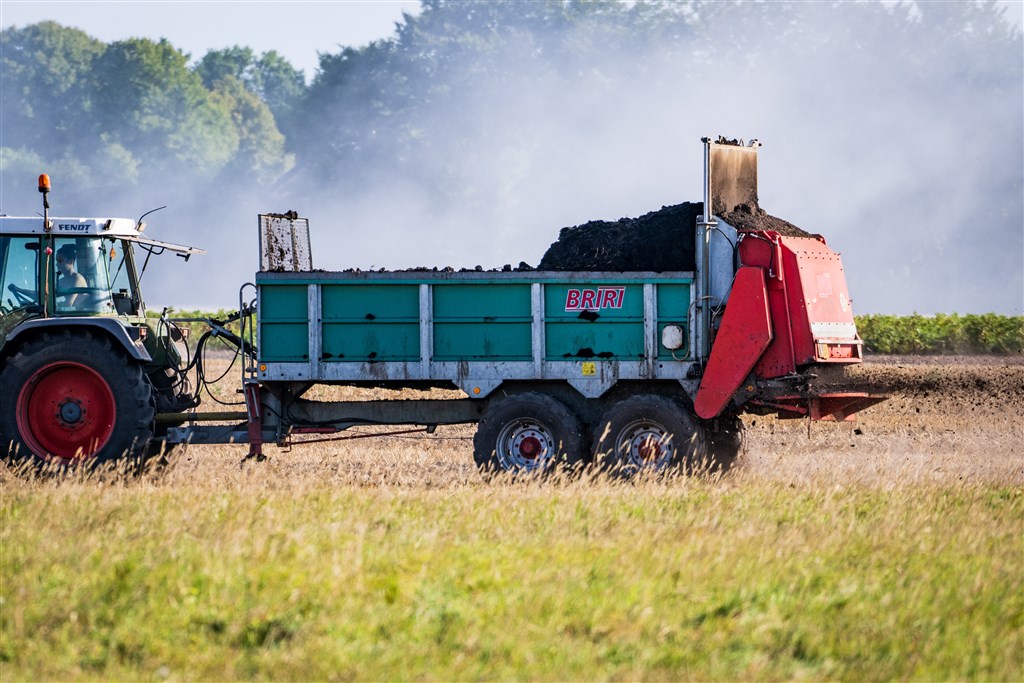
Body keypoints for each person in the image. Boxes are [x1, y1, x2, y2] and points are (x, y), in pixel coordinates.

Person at [56, 244, 88, 309]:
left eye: (60, 261)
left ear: (71, 261)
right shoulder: (61, 281)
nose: (57, 264)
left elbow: (69, 303)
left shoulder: (77, 278)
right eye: (57, 261)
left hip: (80, 313)